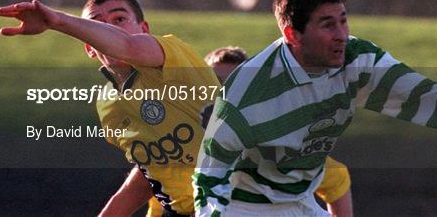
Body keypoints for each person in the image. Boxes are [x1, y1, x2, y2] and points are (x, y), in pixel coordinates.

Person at [192, 0, 437, 217]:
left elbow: (416, 92)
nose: (341, 35)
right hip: (245, 208)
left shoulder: (355, 60)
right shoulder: (248, 93)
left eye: (344, 21)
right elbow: (209, 177)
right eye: (328, 25)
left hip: (302, 201)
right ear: (292, 34)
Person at [0, 0, 220, 217]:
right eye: (97, 26)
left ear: (144, 29)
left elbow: (126, 45)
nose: (110, 29)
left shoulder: (171, 53)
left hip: (236, 201)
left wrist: (57, 21)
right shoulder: (108, 104)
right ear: (89, 46)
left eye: (120, 19)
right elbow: (150, 171)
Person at [146, 46, 354, 217]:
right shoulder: (181, 147)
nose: (225, 93)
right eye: (216, 83)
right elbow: (162, 201)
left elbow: (337, 180)